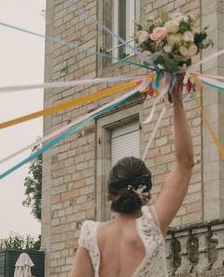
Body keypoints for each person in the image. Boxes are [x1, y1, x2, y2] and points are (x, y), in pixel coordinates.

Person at [71, 76, 193, 277]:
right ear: (146, 191)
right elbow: (185, 163)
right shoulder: (152, 224)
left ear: (110, 192)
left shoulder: (91, 234)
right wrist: (177, 98)